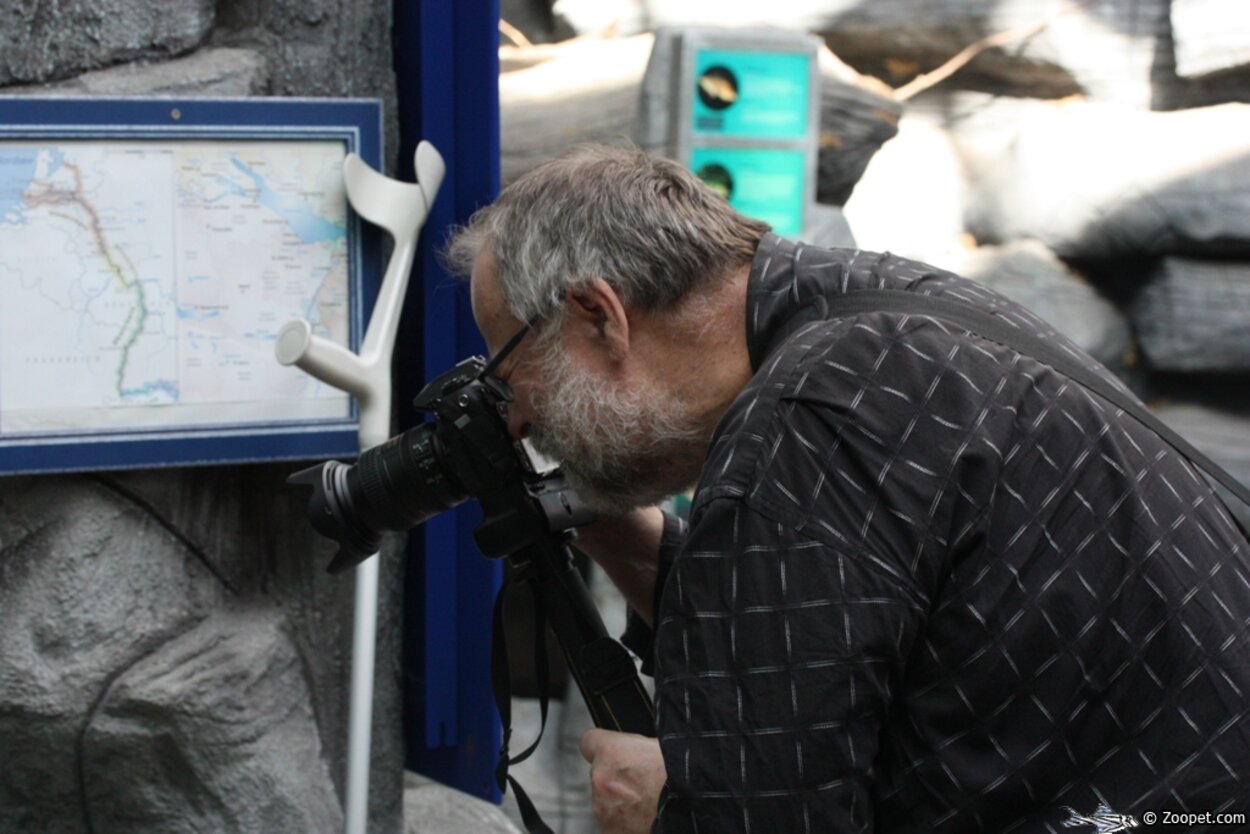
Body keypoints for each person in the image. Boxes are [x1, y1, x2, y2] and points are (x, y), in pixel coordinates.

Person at [447, 144, 1250, 833]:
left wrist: (666, 808)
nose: (513, 418)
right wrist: (640, 550)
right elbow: (872, 620)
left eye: (511, 368)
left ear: (598, 314)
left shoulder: (802, 424)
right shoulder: (878, 316)